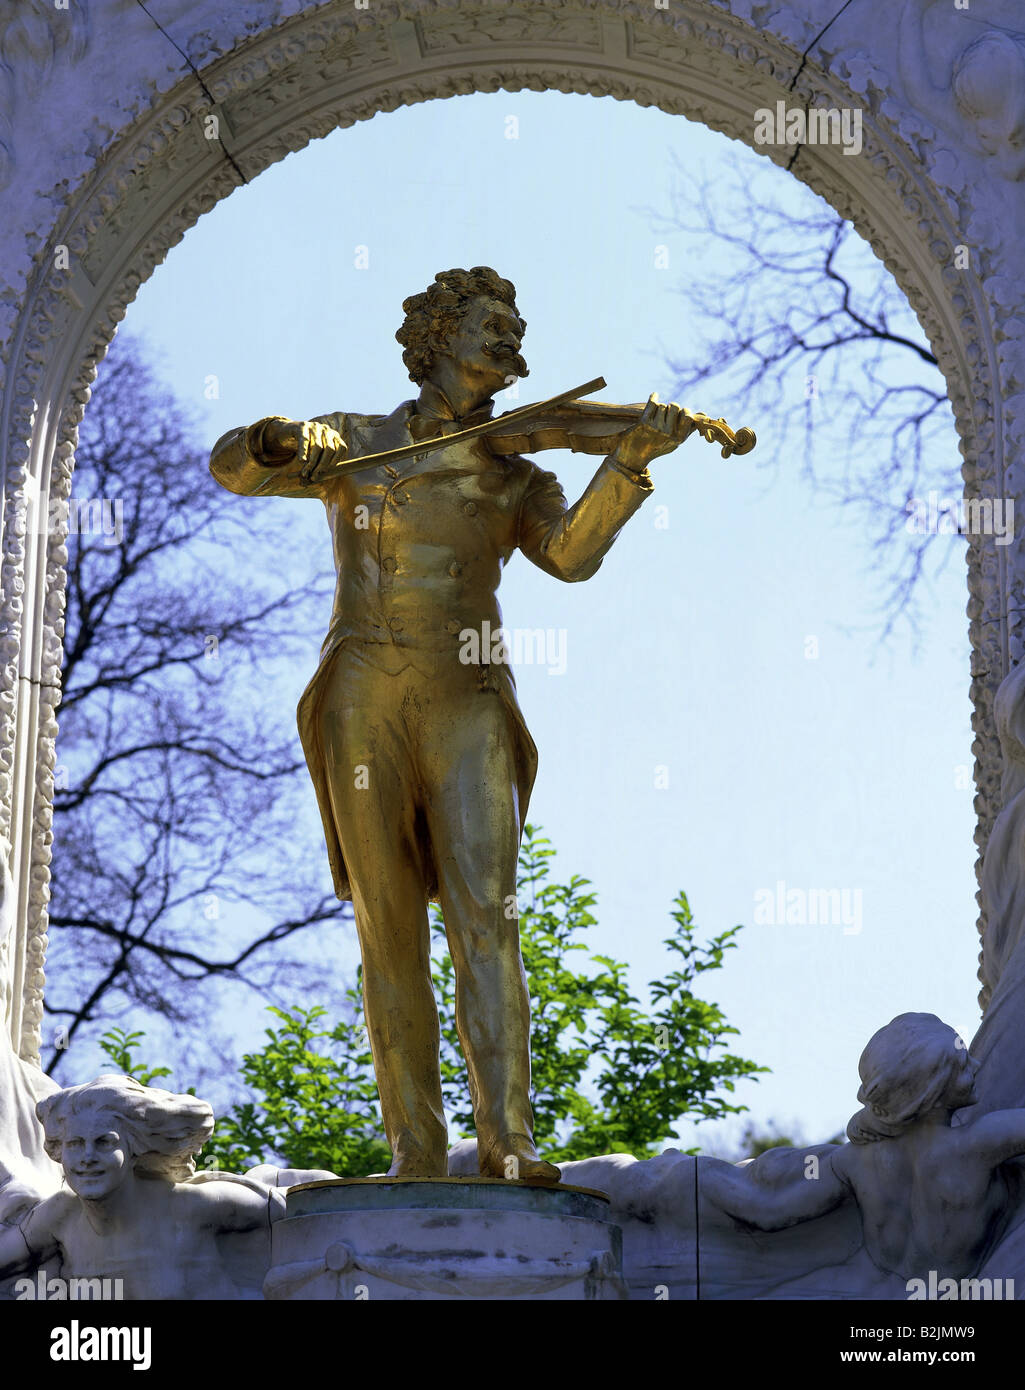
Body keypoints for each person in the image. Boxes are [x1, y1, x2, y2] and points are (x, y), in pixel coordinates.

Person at [210, 266, 696, 1182]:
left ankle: (508, 1142)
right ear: (436, 339)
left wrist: (626, 462)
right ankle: (415, 1154)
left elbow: (570, 558)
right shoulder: (351, 442)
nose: (511, 340)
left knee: (489, 917)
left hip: (468, 693)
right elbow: (232, 468)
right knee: (386, 925)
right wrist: (270, 439)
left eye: (516, 326)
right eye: (491, 324)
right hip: (362, 691)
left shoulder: (519, 472)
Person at [698, 1013, 1025, 1281]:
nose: (978, 1066)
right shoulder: (980, 1143)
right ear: (933, 1090)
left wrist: (703, 1179)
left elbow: (771, 1212)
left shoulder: (856, 1160)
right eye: (964, 1065)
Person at [0, 1075, 284, 1299]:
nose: (87, 1158)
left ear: (133, 1148)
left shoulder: (193, 1206)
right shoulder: (60, 1215)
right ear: (59, 1152)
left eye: (104, 1142)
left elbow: (296, 1209)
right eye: (75, 1144)